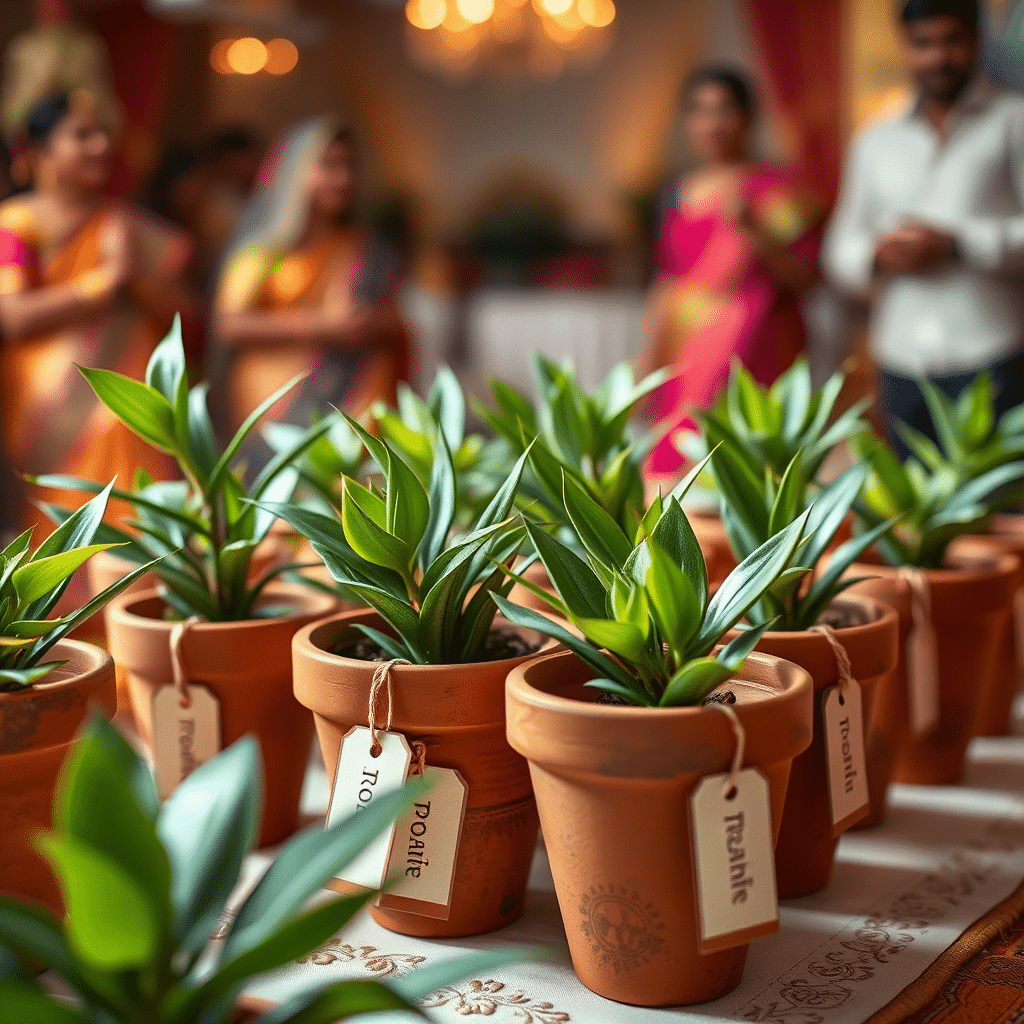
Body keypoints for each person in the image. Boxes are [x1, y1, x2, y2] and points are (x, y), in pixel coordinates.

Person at [824, 0, 1024, 459]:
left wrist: (958, 244)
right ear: (906, 48)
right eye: (923, 44)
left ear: (975, 40)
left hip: (994, 351)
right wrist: (877, 254)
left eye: (951, 40)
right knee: (913, 517)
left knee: (998, 517)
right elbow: (840, 247)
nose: (938, 57)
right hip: (900, 357)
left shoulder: (1014, 121)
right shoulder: (876, 138)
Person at [0, 91, 192, 533]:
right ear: (39, 151)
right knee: (65, 535)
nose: (102, 146)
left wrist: (135, 279)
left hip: (130, 402)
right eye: (82, 135)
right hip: (50, 411)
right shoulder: (18, 223)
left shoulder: (128, 226)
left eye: (103, 134)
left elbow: (188, 318)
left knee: (139, 531)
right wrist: (105, 281)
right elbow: (14, 318)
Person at [640, 67, 822, 480]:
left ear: (748, 117)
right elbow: (667, 283)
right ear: (688, 122)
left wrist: (754, 229)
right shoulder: (675, 192)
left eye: (724, 110)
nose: (713, 123)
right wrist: (648, 366)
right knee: (680, 469)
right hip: (687, 354)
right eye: (700, 111)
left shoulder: (780, 189)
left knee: (753, 475)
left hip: (760, 352)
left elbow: (805, 279)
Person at [212, 117, 408, 469]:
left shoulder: (367, 250)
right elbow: (228, 324)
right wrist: (324, 326)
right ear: (293, 171)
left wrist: (372, 324)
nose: (343, 178)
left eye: (349, 165)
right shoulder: (263, 251)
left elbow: (396, 323)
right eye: (328, 165)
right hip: (278, 398)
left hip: (356, 393)